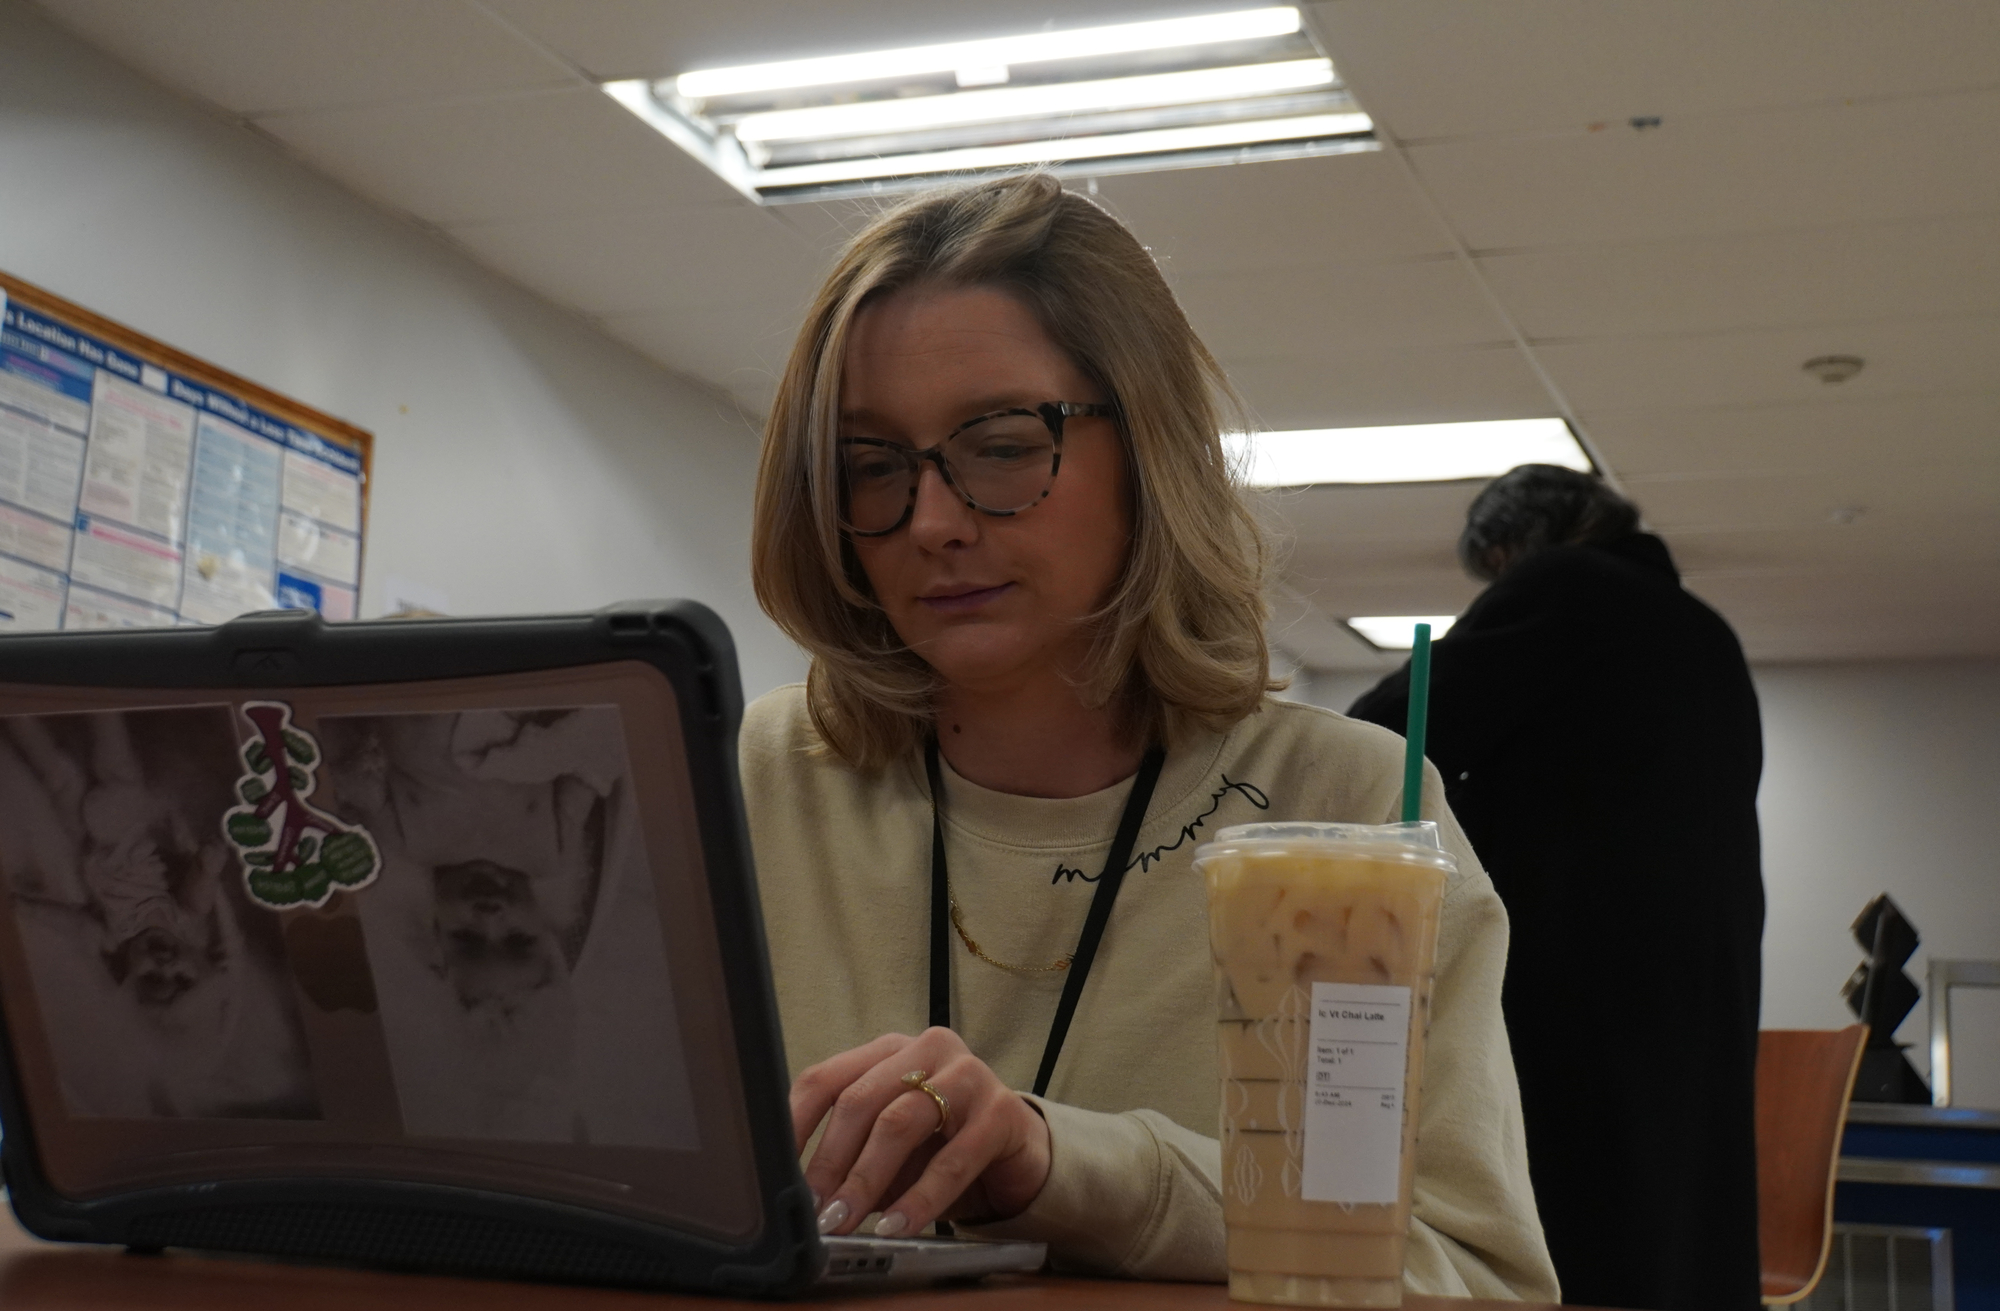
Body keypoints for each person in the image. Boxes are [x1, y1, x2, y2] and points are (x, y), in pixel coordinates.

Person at [738, 172, 1558, 1296]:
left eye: (1002, 444)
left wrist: (1058, 1164)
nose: (929, 522)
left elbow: (1468, 1275)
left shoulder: (1351, 808)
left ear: (1151, 446)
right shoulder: (748, 783)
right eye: (870, 466)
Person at [1348, 464, 1765, 1311]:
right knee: (1675, 1205)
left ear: (1511, 547)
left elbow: (1382, 732)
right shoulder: (1708, 634)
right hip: (1702, 982)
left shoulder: (1565, 582)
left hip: (1579, 967)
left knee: (1572, 1207)